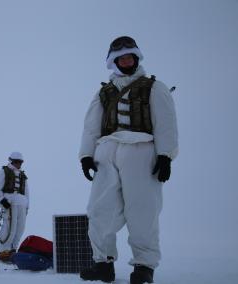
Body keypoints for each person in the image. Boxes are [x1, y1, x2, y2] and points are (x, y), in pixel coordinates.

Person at [78, 36, 178, 284]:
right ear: (114, 62)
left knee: (142, 210)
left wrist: (165, 155)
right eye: (121, 58)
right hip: (107, 151)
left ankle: (144, 266)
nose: (126, 61)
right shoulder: (103, 92)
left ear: (136, 58)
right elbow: (91, 127)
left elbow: (166, 124)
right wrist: (86, 155)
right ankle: (103, 263)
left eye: (130, 57)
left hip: (141, 151)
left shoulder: (155, 87)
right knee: (99, 210)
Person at [0, 152, 30, 262]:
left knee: (20, 228)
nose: (19, 164)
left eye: (20, 162)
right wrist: (2, 200)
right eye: (17, 161)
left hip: (22, 204)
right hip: (10, 203)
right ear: (12, 161)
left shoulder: (23, 175)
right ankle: (4, 251)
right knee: (9, 228)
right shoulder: (3, 172)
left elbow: (27, 192)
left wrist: (27, 206)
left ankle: (13, 249)